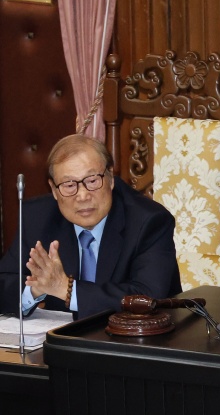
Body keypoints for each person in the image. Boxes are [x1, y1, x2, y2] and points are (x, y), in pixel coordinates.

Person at [0, 134, 182, 319]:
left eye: (92, 181)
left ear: (110, 178)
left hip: (138, 341)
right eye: (69, 185)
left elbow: (149, 297)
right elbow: (4, 281)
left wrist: (67, 290)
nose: (83, 195)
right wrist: (33, 290)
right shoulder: (36, 218)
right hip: (61, 342)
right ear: (54, 190)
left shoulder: (149, 221)